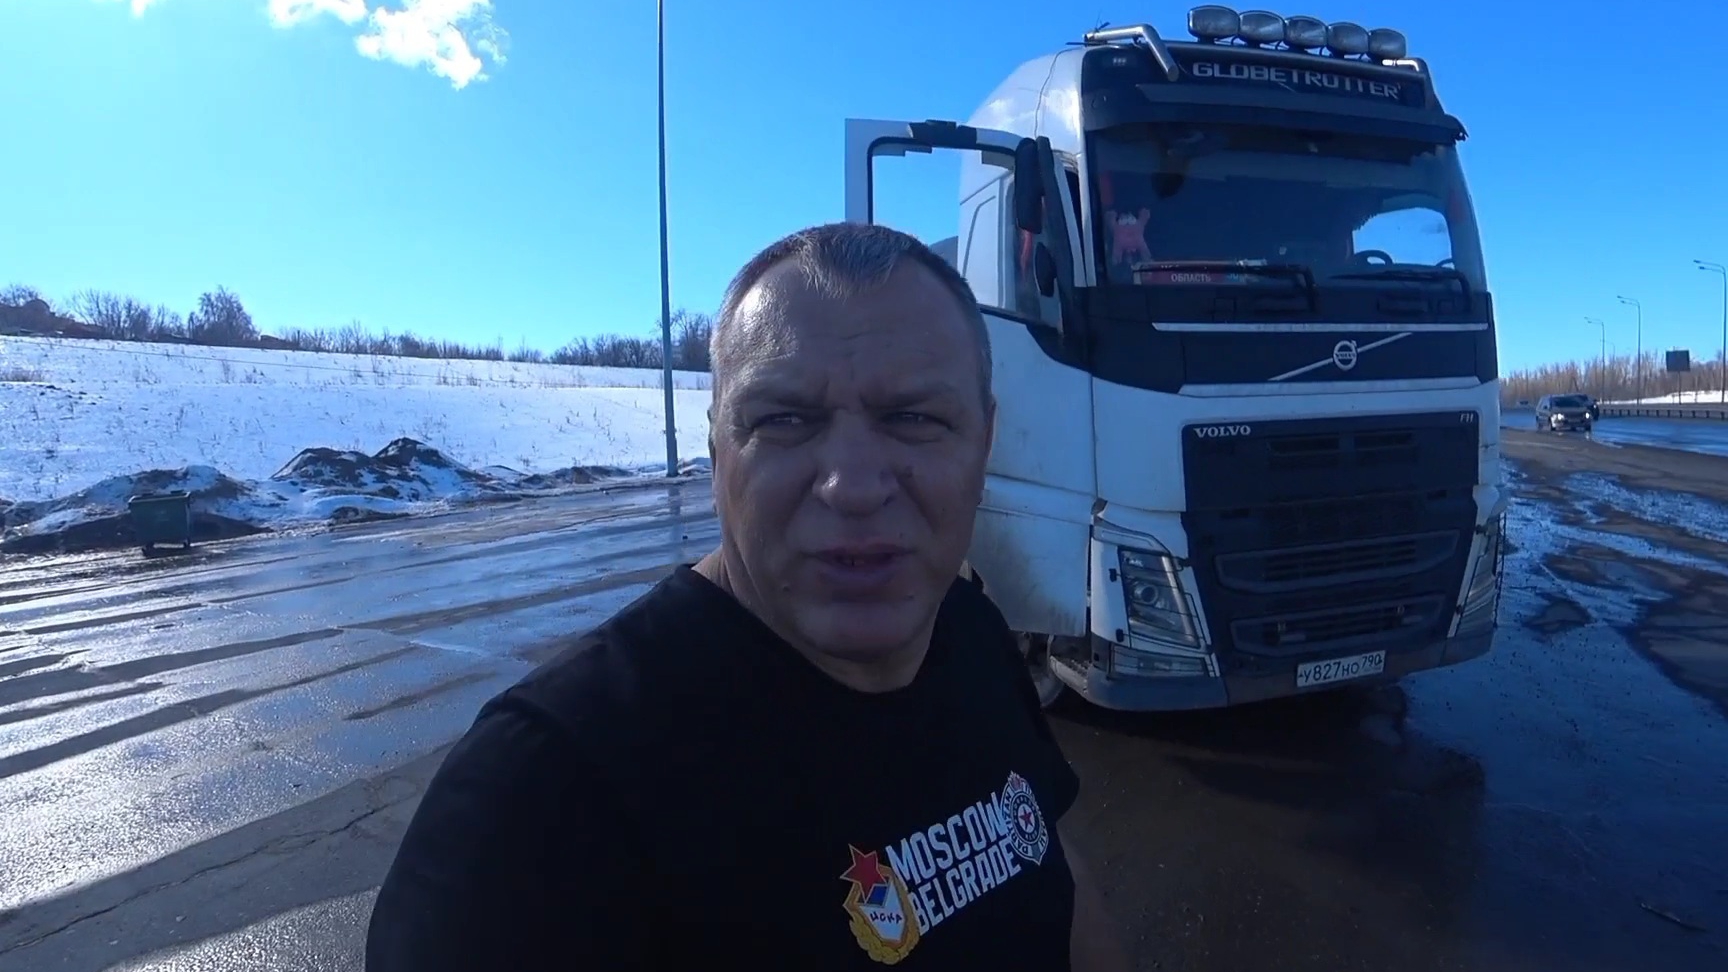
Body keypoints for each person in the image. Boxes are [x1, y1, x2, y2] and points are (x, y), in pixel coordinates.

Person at [364, 221, 1131, 971]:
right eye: (785, 420)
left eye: (914, 418)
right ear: (716, 454)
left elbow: (1053, 871)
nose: (852, 486)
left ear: (984, 445)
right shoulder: (540, 797)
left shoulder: (971, 630)